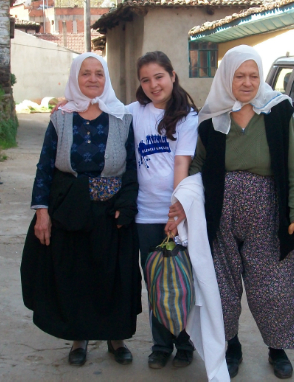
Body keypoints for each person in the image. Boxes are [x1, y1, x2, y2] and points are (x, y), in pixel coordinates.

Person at [190, 45, 294, 380]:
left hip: (268, 208)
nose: (247, 82)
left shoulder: (278, 111)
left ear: (261, 77)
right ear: (227, 77)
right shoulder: (212, 117)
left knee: (275, 284)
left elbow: (293, 165)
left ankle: (277, 348)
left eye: (253, 76)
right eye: (239, 76)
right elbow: (197, 166)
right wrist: (184, 203)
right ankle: (231, 345)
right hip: (219, 212)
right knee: (221, 286)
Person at [21, 53, 141, 367]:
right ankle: (79, 338)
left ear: (106, 79)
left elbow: (131, 167)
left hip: (111, 212)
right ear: (76, 77)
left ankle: (116, 338)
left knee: (112, 276)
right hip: (70, 209)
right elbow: (45, 166)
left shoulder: (121, 116)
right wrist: (41, 212)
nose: (92, 79)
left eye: (98, 74)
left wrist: (126, 206)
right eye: (85, 73)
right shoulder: (61, 116)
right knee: (76, 277)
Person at [128, 51, 199, 369]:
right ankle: (160, 345)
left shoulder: (188, 117)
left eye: (159, 76)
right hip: (145, 215)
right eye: (146, 79)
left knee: (182, 282)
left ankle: (185, 343)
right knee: (155, 281)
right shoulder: (133, 112)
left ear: (172, 75)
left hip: (178, 213)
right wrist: (67, 103)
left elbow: (182, 163)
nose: (153, 85)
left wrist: (176, 211)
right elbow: (97, 106)